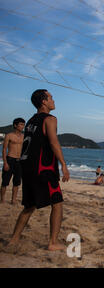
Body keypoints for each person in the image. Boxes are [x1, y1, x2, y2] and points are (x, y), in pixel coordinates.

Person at [9, 89, 70, 251]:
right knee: (57, 203)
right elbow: (53, 142)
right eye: (51, 97)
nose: (53, 100)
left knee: (29, 206)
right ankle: (53, 242)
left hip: (27, 167)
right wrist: (63, 164)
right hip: (43, 168)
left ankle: (14, 240)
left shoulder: (30, 121)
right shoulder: (50, 119)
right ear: (44, 101)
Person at [1, 118, 25, 204]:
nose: (23, 126)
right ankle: (2, 199)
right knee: (5, 182)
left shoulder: (24, 136)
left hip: (19, 161)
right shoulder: (9, 135)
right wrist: (5, 163)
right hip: (10, 160)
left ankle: (13, 200)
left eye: (23, 124)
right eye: (21, 124)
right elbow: (4, 150)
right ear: (15, 125)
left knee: (17, 182)